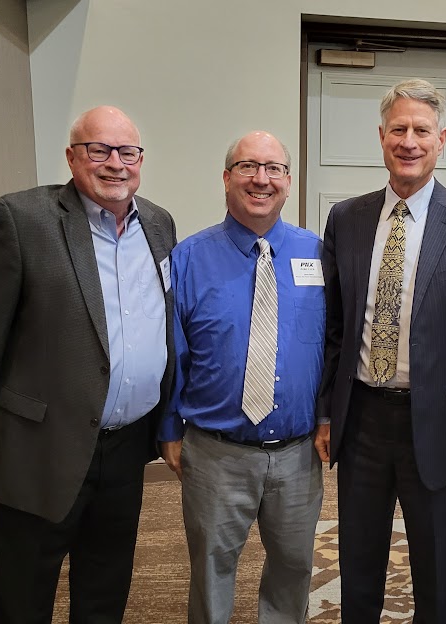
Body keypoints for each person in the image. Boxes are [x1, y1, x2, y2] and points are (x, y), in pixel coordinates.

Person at [0, 106, 176, 622]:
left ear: (141, 160)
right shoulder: (23, 219)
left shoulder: (158, 224)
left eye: (128, 152)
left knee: (105, 586)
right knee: (25, 596)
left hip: (125, 447)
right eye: (100, 150)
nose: (116, 163)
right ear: (72, 157)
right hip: (39, 446)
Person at [315, 79, 446, 623]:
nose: (409, 140)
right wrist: (326, 412)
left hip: (440, 426)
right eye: (398, 129)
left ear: (441, 138)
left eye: (421, 130)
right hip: (361, 421)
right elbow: (334, 327)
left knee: (434, 567)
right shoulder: (346, 217)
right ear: (381, 137)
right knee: (357, 562)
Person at [159, 131, 324, 624]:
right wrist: (169, 428)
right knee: (211, 567)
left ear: (288, 182)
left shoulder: (319, 254)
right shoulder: (187, 258)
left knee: (294, 567)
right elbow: (172, 352)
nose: (261, 178)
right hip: (216, 452)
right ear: (227, 178)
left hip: (298, 454)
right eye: (248, 166)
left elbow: (333, 347)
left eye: (273, 168)